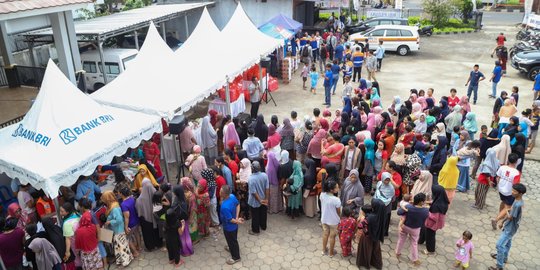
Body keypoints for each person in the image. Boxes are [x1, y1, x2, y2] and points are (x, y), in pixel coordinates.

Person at [488, 183, 526, 270]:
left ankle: (499, 266)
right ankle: (504, 257)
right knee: (508, 242)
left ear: (520, 193)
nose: (512, 192)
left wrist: (503, 218)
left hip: (510, 228)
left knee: (499, 245)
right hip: (512, 227)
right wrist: (509, 209)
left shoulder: (517, 204)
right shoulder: (517, 200)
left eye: (514, 191)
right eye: (512, 190)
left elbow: (510, 217)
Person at [395, 193, 429, 266]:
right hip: (415, 229)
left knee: (401, 239)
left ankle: (397, 252)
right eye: (424, 200)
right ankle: (415, 259)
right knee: (414, 244)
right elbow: (424, 221)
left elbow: (399, 212)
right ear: (421, 202)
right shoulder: (425, 211)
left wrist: (404, 207)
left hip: (404, 226)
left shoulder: (408, 207)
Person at [101, 191, 133, 267]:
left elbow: (119, 220)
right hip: (116, 230)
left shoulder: (114, 208)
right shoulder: (112, 205)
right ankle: (122, 260)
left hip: (119, 230)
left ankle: (125, 262)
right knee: (119, 246)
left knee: (122, 246)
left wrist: (109, 222)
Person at [492, 153, 520, 230]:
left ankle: (501, 214)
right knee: (508, 207)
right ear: (516, 162)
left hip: (501, 189)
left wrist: (499, 185)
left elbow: (497, 177)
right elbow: (516, 185)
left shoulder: (502, 167)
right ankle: (496, 219)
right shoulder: (516, 172)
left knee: (503, 201)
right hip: (509, 192)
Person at [418, 185, 449, 255]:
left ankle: (430, 250)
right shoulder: (443, 201)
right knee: (424, 230)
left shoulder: (436, 206)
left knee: (430, 236)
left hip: (432, 224)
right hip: (436, 223)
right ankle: (421, 240)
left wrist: (426, 210)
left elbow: (434, 217)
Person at [135, 179, 162, 251]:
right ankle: (159, 244)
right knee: (156, 231)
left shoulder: (139, 200)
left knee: (148, 233)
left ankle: (150, 247)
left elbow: (138, 211)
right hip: (156, 217)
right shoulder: (157, 194)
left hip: (146, 220)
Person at [219, 185, 243, 265]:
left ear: (224, 194)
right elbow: (238, 205)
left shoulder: (224, 206)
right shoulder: (232, 196)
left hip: (229, 228)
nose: (219, 192)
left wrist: (236, 220)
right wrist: (237, 217)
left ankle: (236, 257)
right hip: (234, 226)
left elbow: (230, 220)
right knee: (233, 240)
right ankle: (231, 247)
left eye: (220, 191)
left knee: (232, 241)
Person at [119, 187, 142, 258]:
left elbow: (126, 217)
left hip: (131, 223)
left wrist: (126, 227)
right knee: (137, 233)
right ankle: (139, 247)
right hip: (136, 220)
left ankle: (135, 252)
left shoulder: (123, 204)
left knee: (128, 238)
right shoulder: (132, 199)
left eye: (120, 193)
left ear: (122, 194)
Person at [320, 180, 341, 258]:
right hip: (334, 221)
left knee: (325, 234)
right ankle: (331, 253)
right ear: (332, 190)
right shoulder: (336, 200)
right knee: (332, 237)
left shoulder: (322, 195)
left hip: (324, 219)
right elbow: (338, 212)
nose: (338, 189)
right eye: (336, 188)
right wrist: (340, 218)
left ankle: (323, 250)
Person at [248, 161, 269, 235]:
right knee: (263, 213)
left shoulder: (251, 178)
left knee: (255, 215)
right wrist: (266, 199)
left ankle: (255, 230)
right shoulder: (264, 175)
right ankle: (263, 226)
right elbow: (267, 188)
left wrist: (260, 200)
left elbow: (253, 192)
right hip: (263, 198)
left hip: (255, 201)